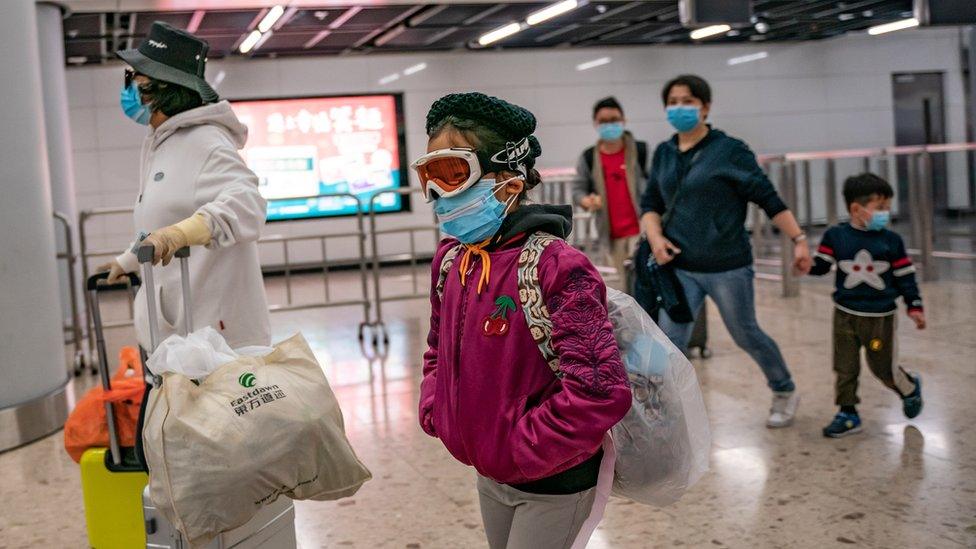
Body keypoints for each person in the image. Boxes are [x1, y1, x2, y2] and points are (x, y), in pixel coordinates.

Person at [417, 92, 631, 549]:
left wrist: (521, 445)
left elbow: (600, 391)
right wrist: (439, 410)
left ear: (509, 184)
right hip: (489, 470)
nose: (437, 193)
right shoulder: (453, 262)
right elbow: (437, 346)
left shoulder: (558, 267)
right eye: (429, 175)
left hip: (553, 479)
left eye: (453, 174)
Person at [640, 74, 812, 428]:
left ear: (705, 107)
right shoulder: (664, 152)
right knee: (670, 339)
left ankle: (784, 389)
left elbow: (768, 198)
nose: (679, 108)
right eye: (673, 101)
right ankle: (658, 410)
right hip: (679, 266)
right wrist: (656, 239)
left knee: (745, 332)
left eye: (688, 101)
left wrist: (799, 240)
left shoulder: (730, 150)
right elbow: (651, 203)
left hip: (727, 266)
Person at [99, 21, 270, 351]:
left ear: (162, 89)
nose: (129, 87)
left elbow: (248, 203)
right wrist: (128, 260)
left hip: (214, 339)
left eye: (135, 79)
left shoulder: (206, 142)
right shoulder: (163, 143)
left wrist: (183, 233)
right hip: (180, 336)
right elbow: (163, 220)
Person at [808, 173, 925, 438]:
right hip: (845, 315)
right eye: (880, 208)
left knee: (883, 368)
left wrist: (914, 305)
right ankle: (848, 412)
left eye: (887, 207)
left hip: (880, 318)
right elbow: (822, 265)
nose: (886, 213)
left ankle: (909, 387)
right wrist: (806, 266)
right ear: (856, 209)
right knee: (845, 366)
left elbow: (905, 277)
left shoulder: (891, 241)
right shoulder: (836, 236)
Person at [571, 97, 649, 278]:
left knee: (649, 279)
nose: (609, 125)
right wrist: (585, 200)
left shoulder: (641, 151)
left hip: (643, 229)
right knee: (627, 282)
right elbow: (578, 189)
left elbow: (656, 185)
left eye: (614, 120)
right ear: (595, 124)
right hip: (612, 234)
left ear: (623, 121)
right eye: (603, 121)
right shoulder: (589, 157)